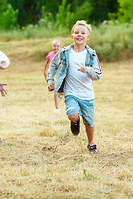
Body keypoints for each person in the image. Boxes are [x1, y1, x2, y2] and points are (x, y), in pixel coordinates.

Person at [47, 20, 103, 152]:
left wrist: (88, 70)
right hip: (70, 91)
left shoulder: (91, 54)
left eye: (83, 33)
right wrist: (50, 80)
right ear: (72, 36)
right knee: (72, 115)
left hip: (87, 93)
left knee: (89, 121)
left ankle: (91, 143)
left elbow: (98, 74)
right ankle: (75, 120)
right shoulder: (65, 52)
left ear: (87, 37)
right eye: (76, 32)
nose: (79, 35)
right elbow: (53, 65)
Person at [44, 39, 62, 113]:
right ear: (52, 47)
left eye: (58, 46)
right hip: (52, 74)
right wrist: (44, 73)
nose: (56, 47)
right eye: (54, 46)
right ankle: (57, 108)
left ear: (60, 47)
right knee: (55, 90)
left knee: (60, 90)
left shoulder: (62, 54)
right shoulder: (50, 54)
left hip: (60, 74)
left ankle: (61, 93)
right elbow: (47, 63)